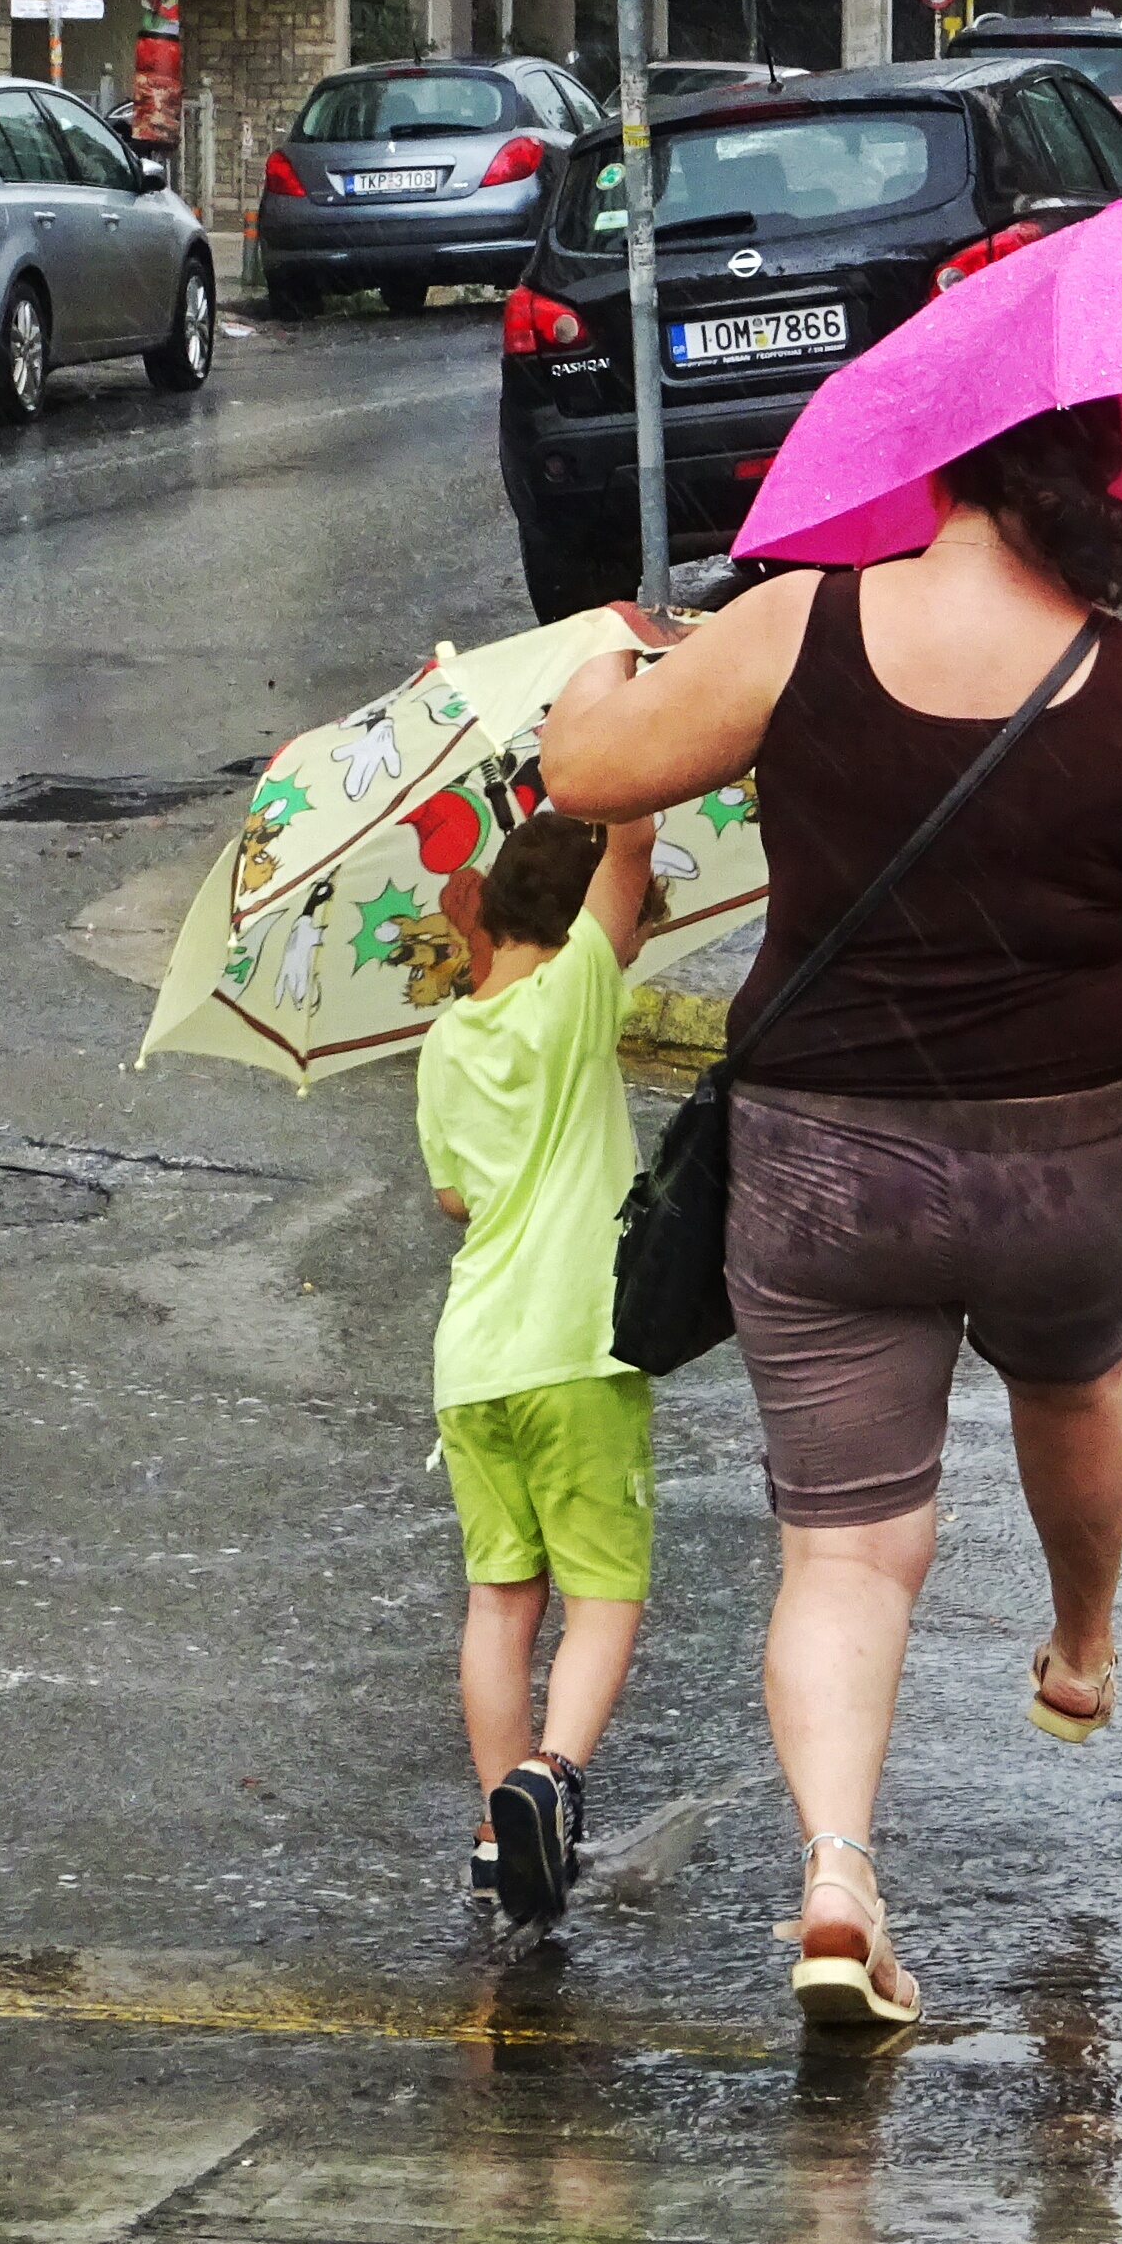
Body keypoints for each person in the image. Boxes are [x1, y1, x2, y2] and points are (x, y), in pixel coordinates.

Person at [541, 400, 1122, 2027]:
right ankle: (1083, 1644)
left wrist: (603, 666)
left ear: (951, 469)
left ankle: (838, 1874)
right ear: (1103, 493)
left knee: (844, 1547)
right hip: (1076, 1158)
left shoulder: (791, 626)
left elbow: (585, 769)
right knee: (1075, 1376)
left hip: (827, 1157)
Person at [417, 808, 662, 1930]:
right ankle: (550, 1778)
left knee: (499, 1600)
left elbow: (454, 1197)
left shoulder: (443, 1041)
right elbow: (634, 847)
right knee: (602, 1598)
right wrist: (616, 738)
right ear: (575, 929)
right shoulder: (575, 998)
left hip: (471, 1362)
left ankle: (492, 1827)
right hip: (576, 1347)